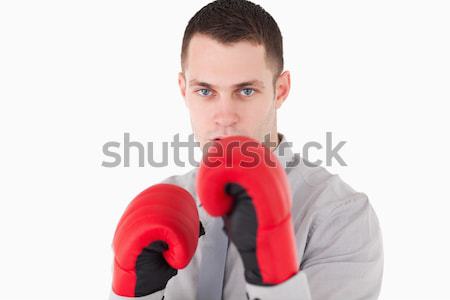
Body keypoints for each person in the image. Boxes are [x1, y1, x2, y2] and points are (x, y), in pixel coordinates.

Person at [110, 0, 383, 299]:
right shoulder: (157, 208)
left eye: (246, 91)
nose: (225, 116)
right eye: (205, 91)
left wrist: (275, 278)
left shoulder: (339, 215)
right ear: (183, 90)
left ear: (281, 90)